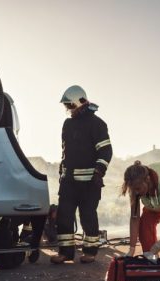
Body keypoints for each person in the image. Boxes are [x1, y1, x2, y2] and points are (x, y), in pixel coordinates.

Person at [50, 85, 112, 264]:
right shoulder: (68, 124)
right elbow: (65, 153)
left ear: (80, 102)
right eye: (67, 106)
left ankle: (90, 252)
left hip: (89, 183)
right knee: (64, 216)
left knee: (88, 216)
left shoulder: (97, 124)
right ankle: (65, 253)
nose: (68, 109)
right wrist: (62, 172)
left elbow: (106, 151)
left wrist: (99, 171)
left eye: (70, 105)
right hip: (69, 182)